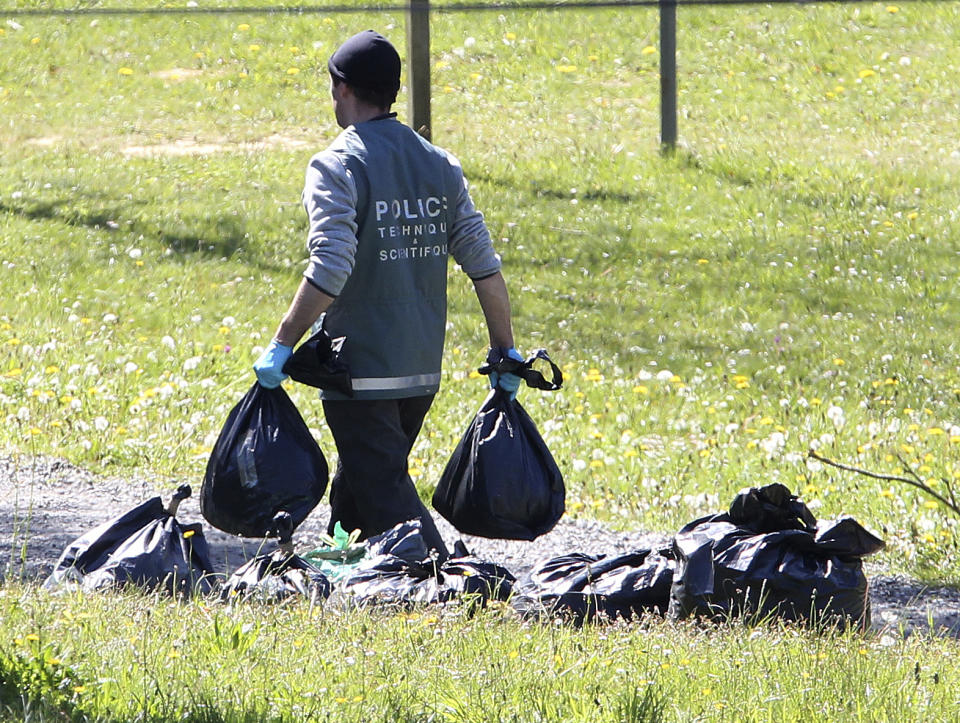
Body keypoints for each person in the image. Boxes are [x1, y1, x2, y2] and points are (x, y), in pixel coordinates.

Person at [253, 30, 523, 559]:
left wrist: (283, 343)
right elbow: (483, 266)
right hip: (420, 370)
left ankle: (455, 586)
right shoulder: (439, 164)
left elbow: (331, 263)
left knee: (387, 497)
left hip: (360, 369)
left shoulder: (337, 165)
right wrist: (504, 350)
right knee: (360, 485)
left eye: (333, 87)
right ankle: (346, 574)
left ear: (344, 88)